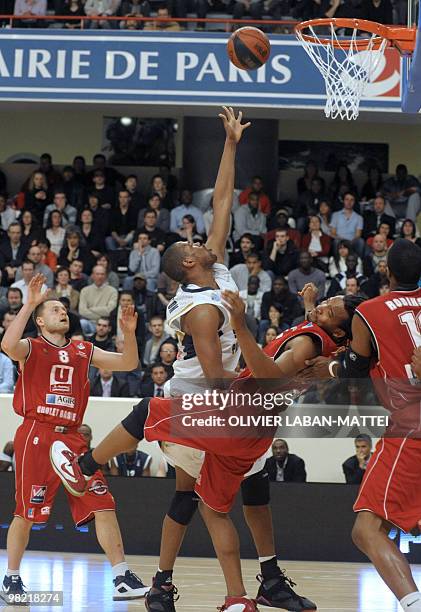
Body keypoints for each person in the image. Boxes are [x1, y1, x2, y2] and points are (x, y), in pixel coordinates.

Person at [52, 286, 362, 612]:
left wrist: (241, 325)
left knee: (147, 411)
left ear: (338, 330)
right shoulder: (325, 341)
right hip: (255, 431)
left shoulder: (305, 342)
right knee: (212, 509)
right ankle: (238, 598)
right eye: (327, 302)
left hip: (234, 413)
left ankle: (84, 467)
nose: (323, 306)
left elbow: (273, 373)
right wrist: (312, 308)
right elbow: (302, 350)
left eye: (329, 309)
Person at [0, 274, 148, 602]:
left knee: (103, 503)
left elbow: (129, 362)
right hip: (37, 434)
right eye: (53, 310)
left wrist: (128, 333)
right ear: (39, 321)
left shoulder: (83, 349)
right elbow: (7, 345)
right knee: (27, 511)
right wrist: (29, 302)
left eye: (64, 309)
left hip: (73, 440)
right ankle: (11, 579)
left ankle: (121, 576)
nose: (62, 312)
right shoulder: (31, 347)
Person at [301, 239, 421, 612]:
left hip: (411, 426)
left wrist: (331, 367)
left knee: (365, 530)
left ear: (386, 271)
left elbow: (353, 370)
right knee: (382, 529)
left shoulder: (370, 311)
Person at [78, 265, 118, 336]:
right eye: (97, 274)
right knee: (82, 323)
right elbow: (82, 311)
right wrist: (101, 313)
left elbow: (109, 311)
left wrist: (91, 309)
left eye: (102, 274)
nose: (100, 276)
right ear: (92, 275)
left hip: (105, 324)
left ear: (106, 276)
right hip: (89, 322)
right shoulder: (85, 290)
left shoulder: (113, 291)